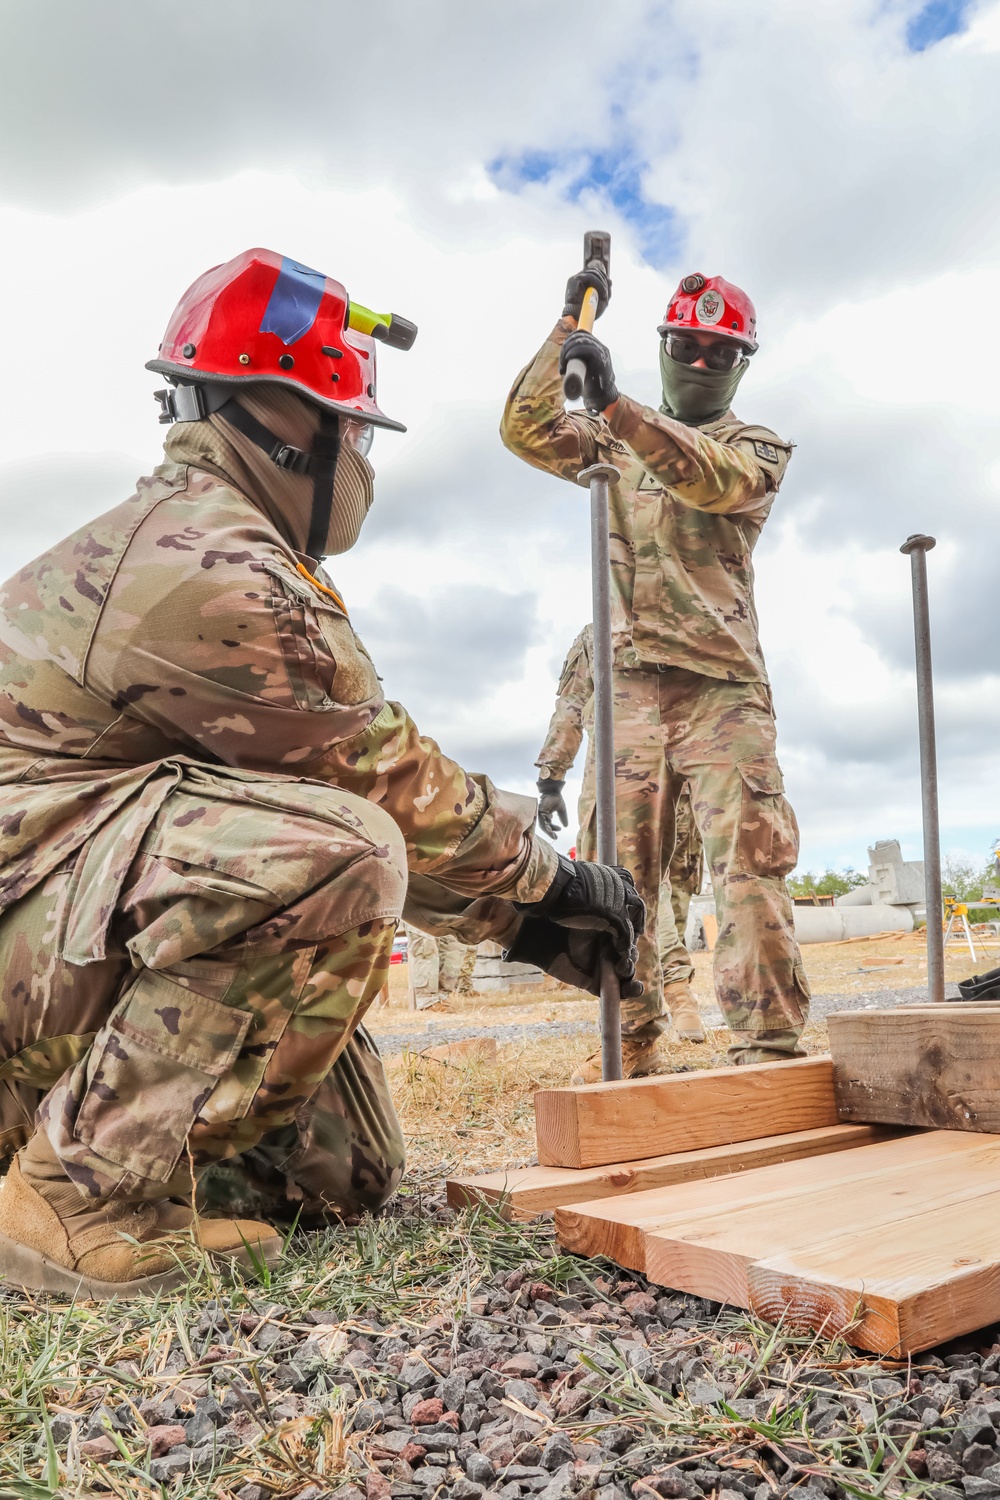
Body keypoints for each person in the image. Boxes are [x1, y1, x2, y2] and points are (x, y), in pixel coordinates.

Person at [0, 248, 643, 1298]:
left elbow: (344, 781)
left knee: (339, 1173)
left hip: (44, 930)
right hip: (26, 935)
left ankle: (68, 1138)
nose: (365, 469)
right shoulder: (207, 567)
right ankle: (77, 1197)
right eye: (357, 435)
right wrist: (549, 885)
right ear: (290, 424)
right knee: (336, 850)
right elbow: (379, 793)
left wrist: (516, 925)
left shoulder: (214, 538)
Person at [502, 267, 809, 1075]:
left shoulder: (756, 448)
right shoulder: (608, 443)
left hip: (721, 688)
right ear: (665, 348)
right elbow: (526, 428)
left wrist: (615, 407)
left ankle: (768, 1050)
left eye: (719, 353)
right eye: (687, 347)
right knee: (616, 878)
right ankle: (634, 1046)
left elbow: (712, 479)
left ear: (740, 364)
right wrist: (568, 323)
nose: (701, 362)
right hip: (630, 684)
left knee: (747, 866)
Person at [535, 624, 707, 1072]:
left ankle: (677, 987)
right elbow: (571, 704)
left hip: (691, 774)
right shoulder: (597, 632)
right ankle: (640, 1024)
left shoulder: (694, 604)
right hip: (623, 773)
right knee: (625, 898)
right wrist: (551, 776)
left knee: (678, 895)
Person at [404, 925, 477, 1008]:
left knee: (454, 946)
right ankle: (426, 1000)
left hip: (448, 914)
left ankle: (442, 996)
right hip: (419, 915)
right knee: (425, 945)